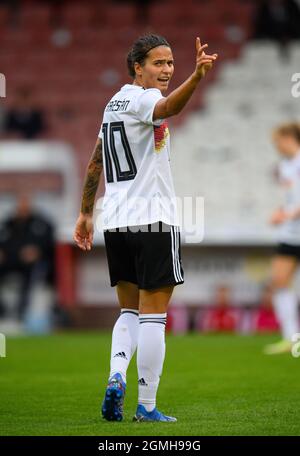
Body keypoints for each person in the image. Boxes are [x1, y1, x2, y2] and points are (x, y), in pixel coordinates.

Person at [74, 34, 217, 422]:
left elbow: (94, 164)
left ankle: (116, 375)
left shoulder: (113, 102)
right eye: (159, 63)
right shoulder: (145, 99)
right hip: (153, 220)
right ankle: (147, 406)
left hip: (116, 221)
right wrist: (198, 76)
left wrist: (86, 213)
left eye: (171, 63)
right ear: (138, 67)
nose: (168, 70)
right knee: (154, 316)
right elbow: (170, 107)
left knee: (128, 312)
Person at [264, 123, 300, 355]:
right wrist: (282, 211)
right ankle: (290, 338)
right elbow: (292, 199)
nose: (276, 146)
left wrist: (285, 214)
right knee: (278, 281)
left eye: (278, 141)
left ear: (288, 138)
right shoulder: (286, 166)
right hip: (291, 233)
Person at [0, 195, 55, 321]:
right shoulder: (8, 224)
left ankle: (22, 310)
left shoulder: (40, 224)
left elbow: (48, 243)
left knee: (30, 275)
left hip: (30, 265)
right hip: (9, 261)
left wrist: (38, 252)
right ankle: (2, 309)